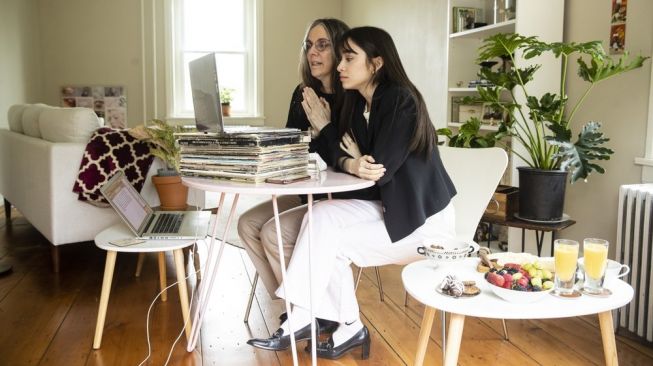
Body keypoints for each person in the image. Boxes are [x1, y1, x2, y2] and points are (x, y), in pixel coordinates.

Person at [247, 26, 457, 360]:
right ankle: (339, 323)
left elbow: (376, 168)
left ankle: (316, 316)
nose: (340, 66)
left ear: (375, 64)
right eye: (340, 58)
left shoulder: (399, 99)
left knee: (326, 241)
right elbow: (345, 159)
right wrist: (351, 159)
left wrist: (347, 149)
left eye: (349, 58)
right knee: (320, 217)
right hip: (388, 207)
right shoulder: (362, 105)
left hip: (422, 222)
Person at [238, 18, 349, 344]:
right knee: (246, 224)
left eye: (322, 45)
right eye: (309, 45)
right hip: (305, 192)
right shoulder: (302, 93)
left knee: (272, 231)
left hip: (336, 200)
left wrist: (322, 131)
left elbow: (344, 159)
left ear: (341, 48)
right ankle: (300, 305)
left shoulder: (353, 96)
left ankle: (314, 310)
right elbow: (292, 148)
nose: (313, 53)